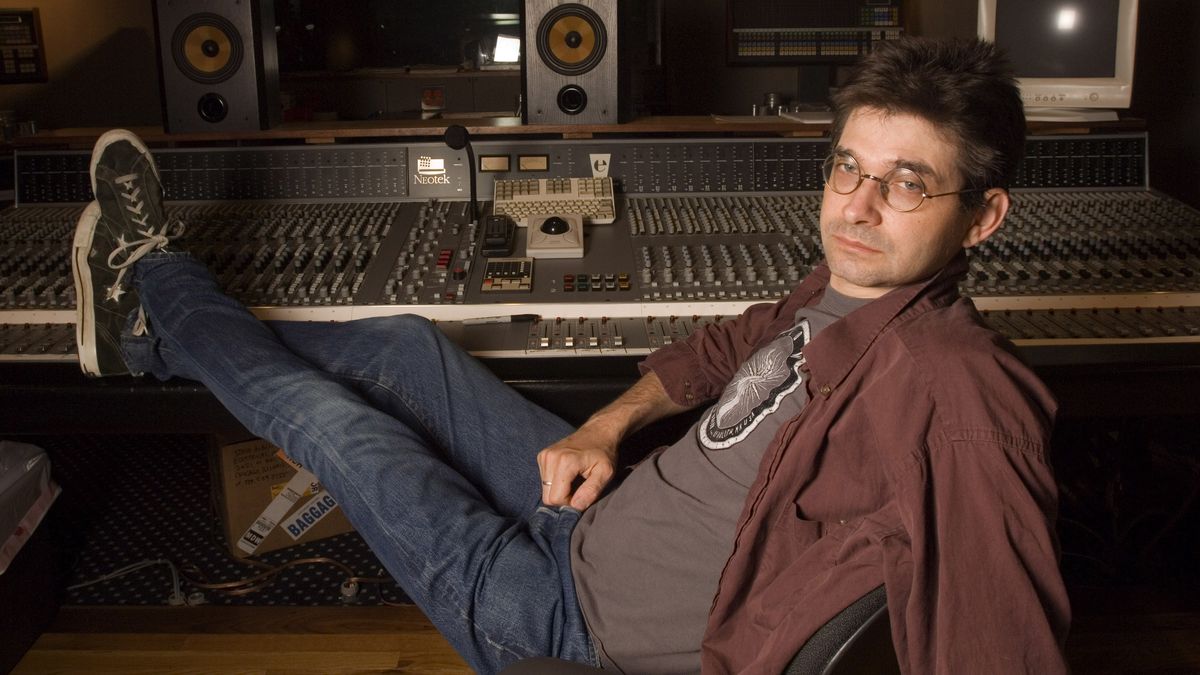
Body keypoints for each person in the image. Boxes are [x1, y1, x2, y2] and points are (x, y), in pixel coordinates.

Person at [71, 36, 1069, 675]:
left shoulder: (958, 389)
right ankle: (155, 339)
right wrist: (608, 421)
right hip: (590, 513)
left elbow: (1003, 645)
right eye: (849, 166)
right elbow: (728, 346)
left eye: (906, 185)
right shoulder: (847, 292)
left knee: (340, 430)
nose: (854, 206)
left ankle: (156, 294)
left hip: (561, 621)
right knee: (408, 348)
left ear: (984, 217)